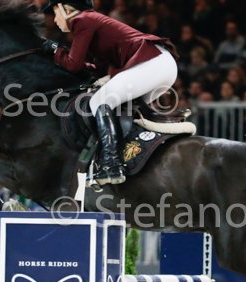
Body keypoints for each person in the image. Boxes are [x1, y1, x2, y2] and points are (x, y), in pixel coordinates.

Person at [42, 0, 178, 185]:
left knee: (99, 101)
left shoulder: (82, 20)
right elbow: (95, 68)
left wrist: (55, 50)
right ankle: (131, 156)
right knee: (120, 109)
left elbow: (73, 65)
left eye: (55, 12)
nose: (54, 19)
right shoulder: (92, 21)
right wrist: (62, 54)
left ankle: (111, 164)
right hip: (160, 65)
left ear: (66, 9)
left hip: (152, 63)